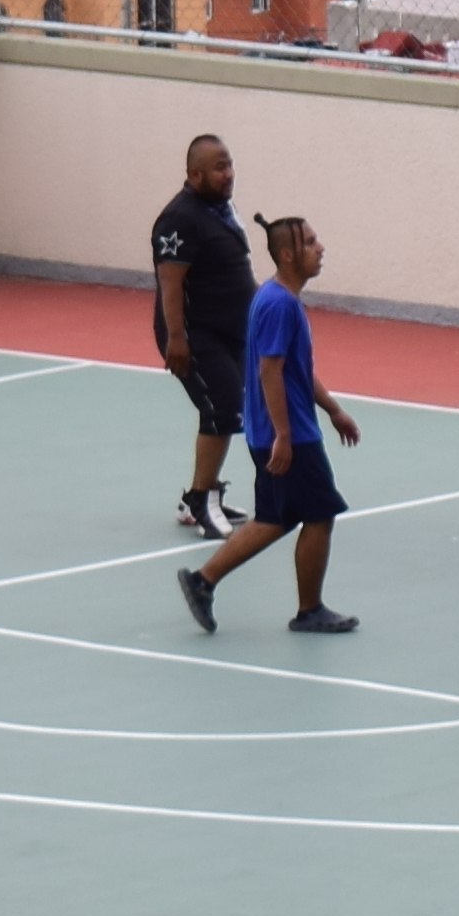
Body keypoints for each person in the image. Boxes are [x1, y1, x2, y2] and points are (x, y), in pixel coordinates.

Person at [177, 216, 358, 636]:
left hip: (279, 431)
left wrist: (333, 410)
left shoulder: (276, 299)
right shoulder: (279, 304)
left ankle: (202, 581)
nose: (321, 248)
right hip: (289, 433)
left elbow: (296, 369)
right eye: (311, 242)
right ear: (288, 254)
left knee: (276, 518)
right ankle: (309, 609)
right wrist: (283, 435)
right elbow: (269, 372)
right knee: (320, 513)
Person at [151, 132, 255, 538]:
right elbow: (170, 283)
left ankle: (200, 493)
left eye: (229, 164)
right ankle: (200, 499)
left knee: (227, 409)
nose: (228, 174)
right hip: (195, 336)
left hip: (228, 334)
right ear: (194, 174)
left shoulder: (219, 210)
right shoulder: (180, 218)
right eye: (218, 167)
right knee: (223, 409)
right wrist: (177, 338)